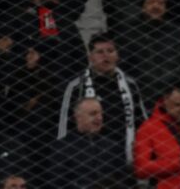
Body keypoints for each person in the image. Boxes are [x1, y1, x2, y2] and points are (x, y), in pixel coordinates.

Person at [57, 34, 146, 166]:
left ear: (117, 55)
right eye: (100, 52)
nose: (106, 56)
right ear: (90, 57)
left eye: (110, 51)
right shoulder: (77, 86)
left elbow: (142, 121)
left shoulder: (130, 85)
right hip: (86, 158)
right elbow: (64, 126)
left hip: (124, 157)